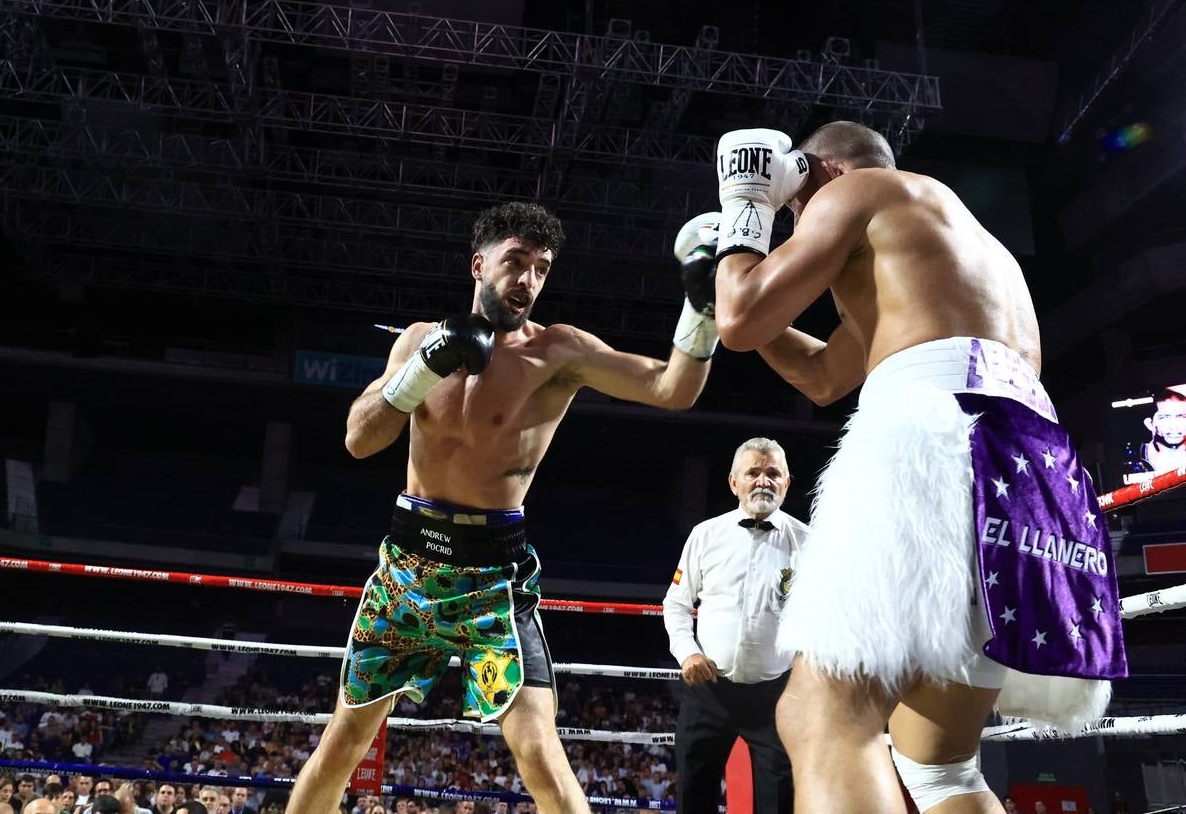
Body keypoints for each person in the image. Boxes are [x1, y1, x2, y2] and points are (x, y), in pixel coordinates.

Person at [690, 122, 1129, 812]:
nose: (803, 230)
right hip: (1035, 478)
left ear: (818, 170)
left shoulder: (855, 189)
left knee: (822, 718)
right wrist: (718, 295)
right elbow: (822, 376)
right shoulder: (950, 244)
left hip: (933, 437)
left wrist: (747, 212)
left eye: (799, 209)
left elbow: (744, 316)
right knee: (941, 764)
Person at [285, 201, 714, 814]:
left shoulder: (559, 353)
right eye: (516, 262)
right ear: (479, 264)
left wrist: (702, 310)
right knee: (342, 743)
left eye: (541, 269)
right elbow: (359, 438)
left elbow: (674, 390)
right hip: (405, 572)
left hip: (493, 580)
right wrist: (425, 368)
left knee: (537, 749)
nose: (528, 280)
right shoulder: (416, 341)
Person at [663, 437, 807, 814]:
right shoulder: (705, 535)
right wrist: (688, 653)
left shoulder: (809, 543)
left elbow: (821, 620)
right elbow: (676, 604)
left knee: (779, 803)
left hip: (776, 696)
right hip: (708, 690)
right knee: (694, 797)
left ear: (787, 482)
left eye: (773, 473)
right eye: (753, 472)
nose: (763, 481)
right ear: (734, 482)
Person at [1135, 390, 1186, 476]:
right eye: (1164, 417)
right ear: (1150, 424)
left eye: (1181, 417)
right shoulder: (1135, 458)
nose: (1174, 426)